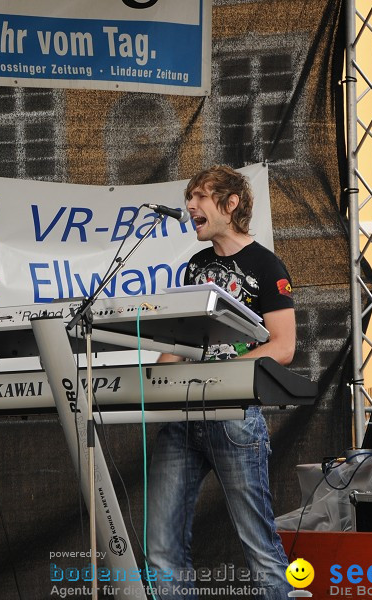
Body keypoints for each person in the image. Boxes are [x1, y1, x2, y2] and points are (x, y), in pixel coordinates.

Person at [146, 166, 295, 600]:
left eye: (201, 197)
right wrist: (150, 379)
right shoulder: (195, 267)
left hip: (234, 417)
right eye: (189, 197)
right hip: (182, 416)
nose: (190, 205)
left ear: (231, 205)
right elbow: (182, 344)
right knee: (161, 548)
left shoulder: (266, 266)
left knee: (261, 550)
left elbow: (283, 346)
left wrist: (223, 374)